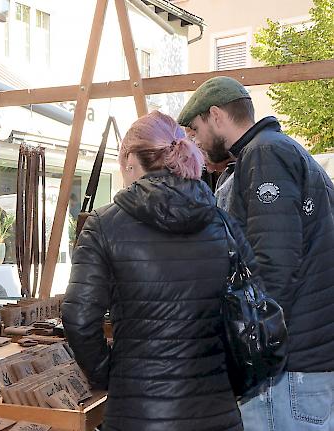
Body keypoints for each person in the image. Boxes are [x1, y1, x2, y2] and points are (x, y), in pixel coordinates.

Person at [62, 111, 249, 431]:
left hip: (138, 412)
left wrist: (109, 373)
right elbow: (252, 308)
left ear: (131, 159)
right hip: (216, 411)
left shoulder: (104, 224)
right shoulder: (222, 223)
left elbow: (79, 318)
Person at [178, 77, 334, 430]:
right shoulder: (279, 149)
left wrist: (245, 350)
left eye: (195, 128)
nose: (194, 140)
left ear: (216, 115)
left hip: (287, 370)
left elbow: (274, 266)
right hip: (304, 360)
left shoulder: (265, 155)